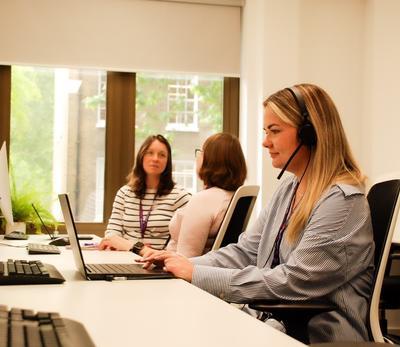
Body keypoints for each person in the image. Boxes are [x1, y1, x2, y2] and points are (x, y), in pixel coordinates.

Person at [142, 84, 374, 343]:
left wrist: (196, 274)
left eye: (274, 131)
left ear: (310, 133)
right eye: (265, 131)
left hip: (314, 337)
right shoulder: (290, 186)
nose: (265, 142)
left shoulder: (342, 202)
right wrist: (178, 264)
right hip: (272, 323)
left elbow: (294, 281)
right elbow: (246, 251)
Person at [98, 134, 191, 254]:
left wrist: (132, 246)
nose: (155, 158)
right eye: (150, 153)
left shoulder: (180, 196)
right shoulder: (124, 193)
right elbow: (112, 235)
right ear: (141, 156)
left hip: (159, 265)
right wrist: (136, 247)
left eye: (162, 155)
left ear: (168, 162)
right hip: (124, 259)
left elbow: (187, 242)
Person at [161, 133, 247, 257]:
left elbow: (186, 258)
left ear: (210, 160)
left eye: (201, 152)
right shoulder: (232, 196)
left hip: (174, 271)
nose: (198, 157)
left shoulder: (204, 200)